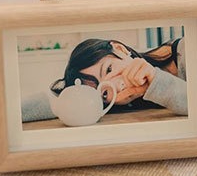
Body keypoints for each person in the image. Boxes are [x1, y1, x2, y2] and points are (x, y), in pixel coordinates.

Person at [21, 37, 188, 122]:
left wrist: (156, 82)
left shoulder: (186, 51)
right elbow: (59, 103)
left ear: (120, 49)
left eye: (109, 69)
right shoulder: (121, 104)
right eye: (104, 93)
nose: (116, 86)